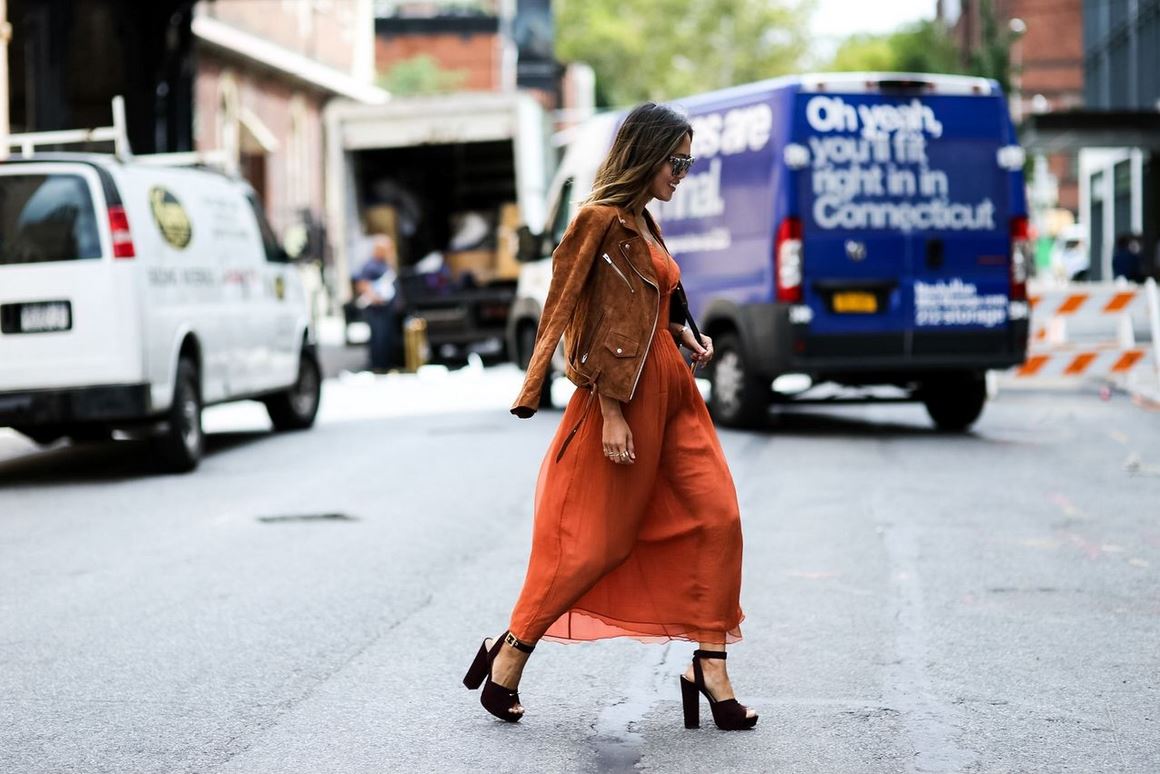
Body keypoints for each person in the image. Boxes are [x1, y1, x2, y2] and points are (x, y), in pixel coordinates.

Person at [462, 103, 757, 731]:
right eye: (676, 162)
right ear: (646, 156)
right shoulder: (596, 223)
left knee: (718, 517)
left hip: (674, 394)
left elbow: (646, 304)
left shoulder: (645, 223)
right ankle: (508, 655)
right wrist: (613, 414)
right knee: (596, 545)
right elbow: (580, 321)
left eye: (688, 162)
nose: (683, 173)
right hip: (620, 398)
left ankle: (709, 663)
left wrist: (682, 331)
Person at [354, 234, 400, 373]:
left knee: (386, 336)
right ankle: (377, 366)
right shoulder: (370, 265)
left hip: (386, 308)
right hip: (376, 309)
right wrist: (375, 297)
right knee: (378, 337)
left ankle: (386, 364)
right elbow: (363, 284)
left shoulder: (385, 264)